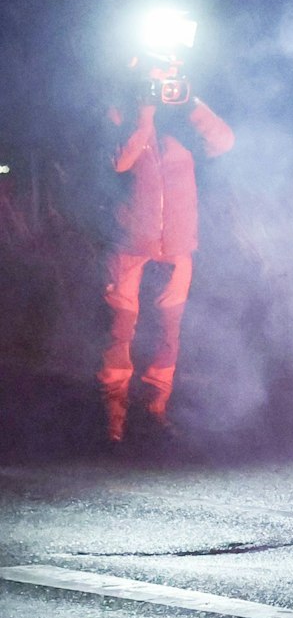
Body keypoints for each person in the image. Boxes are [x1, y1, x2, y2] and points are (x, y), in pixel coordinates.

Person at [98, 57, 234, 445]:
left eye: (169, 77)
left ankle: (154, 412)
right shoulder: (117, 112)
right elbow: (120, 161)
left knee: (168, 332)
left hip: (177, 245)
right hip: (128, 243)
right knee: (119, 331)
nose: (163, 85)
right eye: (156, 78)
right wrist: (143, 115)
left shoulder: (185, 121)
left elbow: (223, 142)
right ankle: (113, 423)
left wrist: (190, 102)